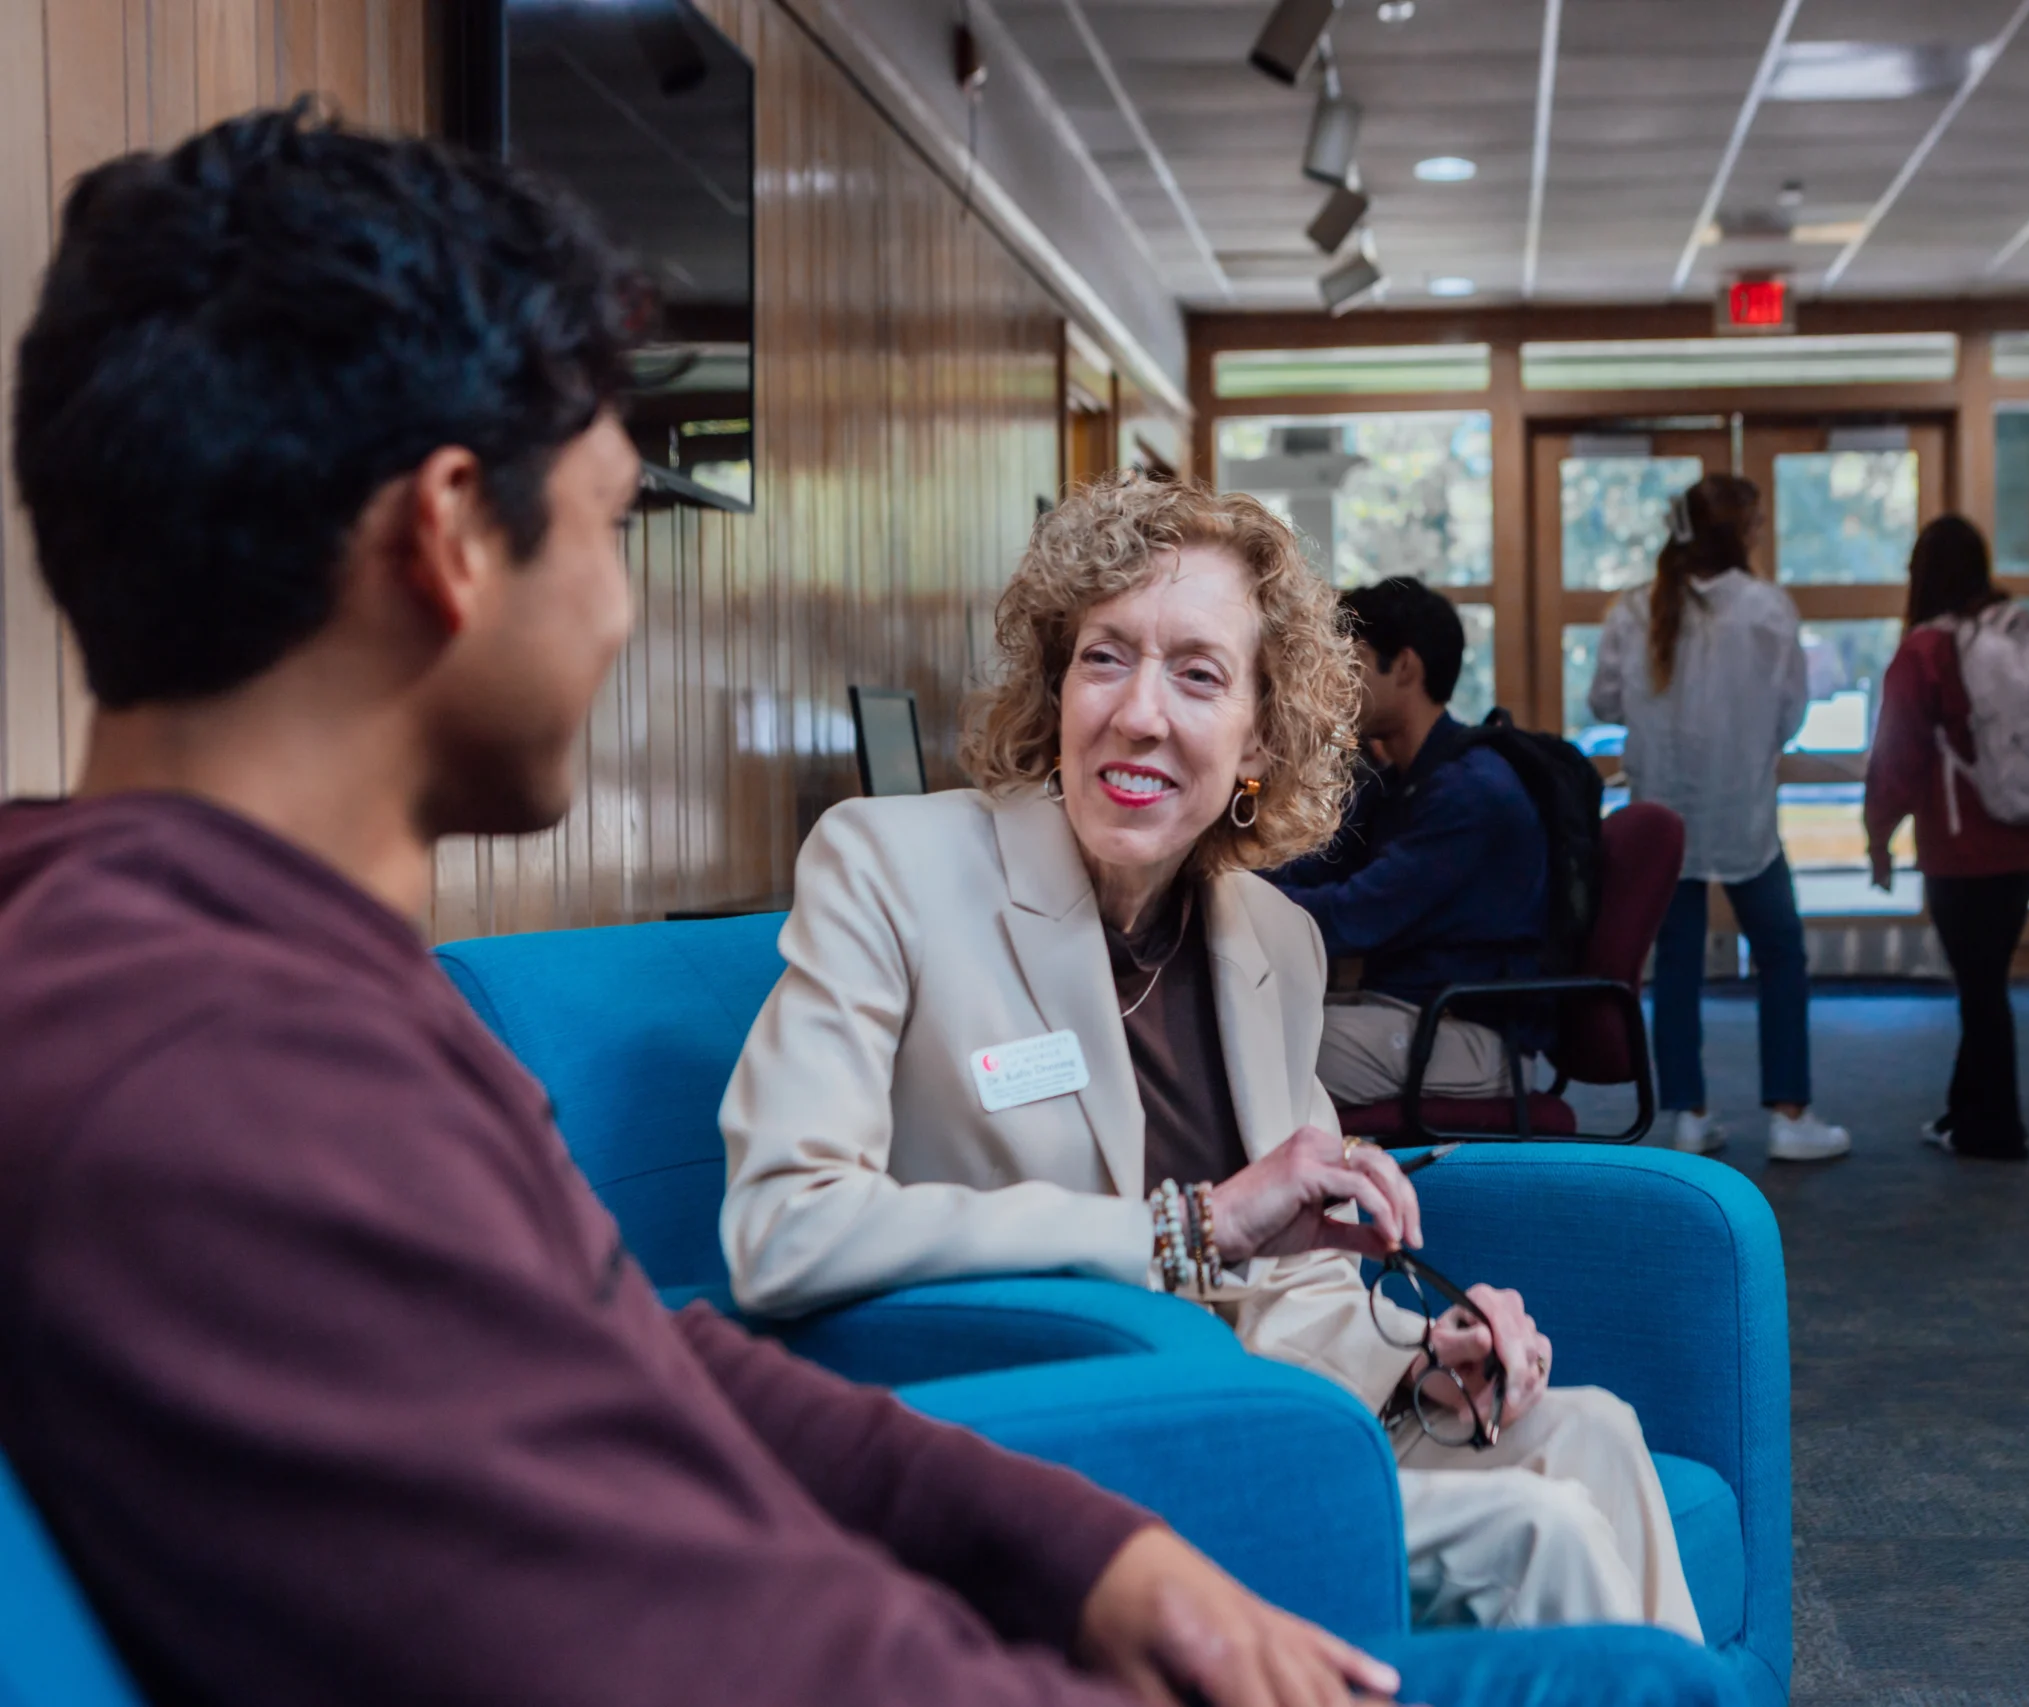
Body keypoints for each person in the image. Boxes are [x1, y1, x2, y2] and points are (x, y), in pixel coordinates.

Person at [0, 107, 1402, 1707]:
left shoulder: (247, 971)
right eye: (612, 523)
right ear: (451, 539)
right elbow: (652, 1642)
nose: (617, 610)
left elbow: (640, 1349)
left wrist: (1083, 1548)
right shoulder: (214, 1085)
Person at [719, 479, 1701, 1642]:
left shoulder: (1270, 942)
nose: (1140, 713)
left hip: (1232, 1424)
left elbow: (1291, 1288)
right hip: (1040, 1458)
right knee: (1541, 1537)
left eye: (1197, 674)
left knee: (1592, 1432)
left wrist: (1418, 1370)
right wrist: (1184, 1229)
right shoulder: (891, 866)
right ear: (1053, 688)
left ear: (1256, 739)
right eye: (1104, 658)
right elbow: (783, 1226)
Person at [1587, 475, 1850, 1164]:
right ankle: (1791, 1113)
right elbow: (1791, 712)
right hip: (1744, 812)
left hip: (1663, 813)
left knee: (1676, 965)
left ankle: (1689, 1113)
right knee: (1782, 953)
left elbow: (1605, 700)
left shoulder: (1635, 609)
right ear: (1741, 530)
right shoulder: (1768, 609)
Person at [1269, 576, 1548, 1106]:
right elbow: (1317, 868)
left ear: (1405, 668)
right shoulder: (1402, 778)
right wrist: (1233, 883)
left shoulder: (1469, 791)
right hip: (1403, 1012)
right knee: (1233, 1024)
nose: (1334, 680)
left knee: (1257, 1047)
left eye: (1352, 662)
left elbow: (1355, 914)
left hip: (1468, 1034)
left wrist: (1235, 907)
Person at [1862, 516, 2029, 1163]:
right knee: (1985, 979)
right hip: (2028, 838)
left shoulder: (1924, 651)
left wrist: (1878, 835)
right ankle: (1964, 1111)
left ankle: (1997, 1130)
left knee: (1980, 990)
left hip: (1960, 846)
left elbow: (1897, 757)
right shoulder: (2017, 634)